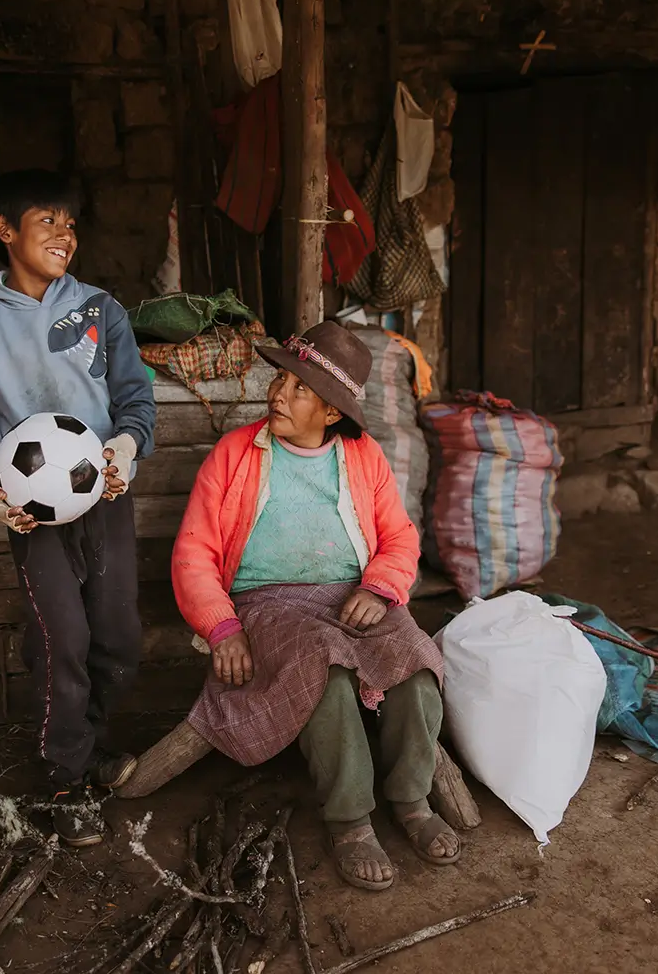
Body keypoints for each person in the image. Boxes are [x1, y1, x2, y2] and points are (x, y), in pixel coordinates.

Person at [171, 321, 460, 891]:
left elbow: (400, 539)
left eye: (299, 387)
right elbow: (193, 551)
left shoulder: (363, 456)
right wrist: (221, 626)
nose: (278, 394)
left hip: (355, 596)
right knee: (321, 672)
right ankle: (351, 821)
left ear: (331, 411)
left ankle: (412, 802)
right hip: (266, 601)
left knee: (417, 663)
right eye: (280, 380)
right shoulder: (236, 453)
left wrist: (379, 587)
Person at [0, 169, 157, 847]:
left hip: (106, 499)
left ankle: (88, 743)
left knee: (118, 637)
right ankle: (67, 779)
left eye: (70, 224)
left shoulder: (101, 310)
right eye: (47, 223)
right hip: (32, 514)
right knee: (61, 641)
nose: (65, 236)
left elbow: (135, 403)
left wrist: (121, 453)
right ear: (6, 231)